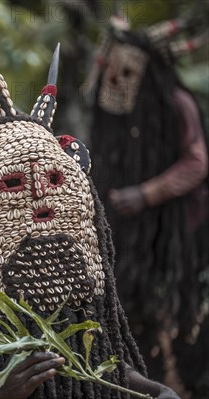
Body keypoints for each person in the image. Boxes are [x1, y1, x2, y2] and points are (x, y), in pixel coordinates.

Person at [0, 28, 180, 399]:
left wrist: (157, 391)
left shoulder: (76, 280)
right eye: (14, 184)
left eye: (54, 179)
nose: (41, 199)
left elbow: (103, 361)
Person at [87, 12, 209, 392]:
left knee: (176, 308)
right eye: (110, 68)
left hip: (178, 231)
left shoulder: (176, 103)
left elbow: (196, 162)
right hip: (129, 231)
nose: (114, 79)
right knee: (130, 303)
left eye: (125, 71)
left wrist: (146, 194)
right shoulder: (112, 113)